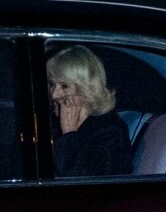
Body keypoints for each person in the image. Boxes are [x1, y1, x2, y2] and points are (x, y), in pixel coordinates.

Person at [47, 45, 132, 177]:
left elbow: (81, 180)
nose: (54, 94)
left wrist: (69, 133)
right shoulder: (54, 121)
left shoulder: (111, 131)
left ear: (86, 89)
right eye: (52, 84)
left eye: (64, 86)